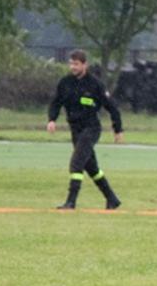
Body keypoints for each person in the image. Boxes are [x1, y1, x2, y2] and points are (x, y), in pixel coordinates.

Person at [46, 50, 123, 210]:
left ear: (84, 65)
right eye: (71, 64)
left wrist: (118, 129)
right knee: (91, 168)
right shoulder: (65, 82)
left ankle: (71, 202)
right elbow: (56, 102)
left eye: (76, 64)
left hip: (91, 128)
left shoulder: (95, 84)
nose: (73, 67)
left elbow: (112, 107)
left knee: (76, 163)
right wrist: (52, 119)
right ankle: (112, 199)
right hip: (75, 129)